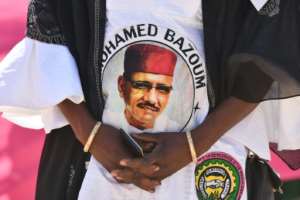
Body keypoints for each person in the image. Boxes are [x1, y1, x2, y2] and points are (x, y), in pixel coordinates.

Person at [1, 0, 300, 199]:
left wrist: (197, 142)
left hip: (213, 159)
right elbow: (49, 35)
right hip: (91, 160)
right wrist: (89, 133)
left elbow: (274, 42)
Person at [117, 43, 178, 130]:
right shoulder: (105, 124)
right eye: (141, 86)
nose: (151, 99)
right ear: (122, 86)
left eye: (163, 89)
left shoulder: (176, 132)